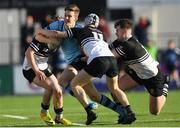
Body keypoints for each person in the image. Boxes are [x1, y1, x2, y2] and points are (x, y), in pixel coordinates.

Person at [35, 13, 136, 125]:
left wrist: (41, 31)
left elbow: (58, 34)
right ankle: (126, 111)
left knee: (71, 85)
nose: (62, 22)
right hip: (109, 59)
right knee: (107, 91)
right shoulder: (101, 33)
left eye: (63, 20)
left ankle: (87, 110)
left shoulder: (78, 29)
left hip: (86, 60)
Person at [35, 4, 99, 124]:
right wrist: (49, 35)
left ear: (76, 17)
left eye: (69, 16)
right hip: (61, 63)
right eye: (65, 16)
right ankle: (87, 108)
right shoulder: (56, 26)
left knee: (61, 86)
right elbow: (40, 34)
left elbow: (83, 46)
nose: (66, 18)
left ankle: (57, 114)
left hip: (78, 62)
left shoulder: (78, 29)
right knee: (60, 86)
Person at [109, 19, 169, 115]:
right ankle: (124, 114)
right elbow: (105, 49)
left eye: (117, 30)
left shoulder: (129, 45)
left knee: (154, 112)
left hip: (153, 77)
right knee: (115, 89)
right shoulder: (120, 41)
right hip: (137, 74)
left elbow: (109, 56)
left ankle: (165, 84)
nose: (115, 33)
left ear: (124, 31)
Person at [22, 37, 72, 126]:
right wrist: (37, 71)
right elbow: (28, 53)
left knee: (59, 91)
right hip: (30, 69)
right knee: (49, 87)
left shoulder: (59, 43)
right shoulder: (41, 39)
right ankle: (44, 112)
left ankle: (59, 117)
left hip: (43, 67)